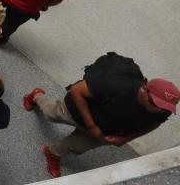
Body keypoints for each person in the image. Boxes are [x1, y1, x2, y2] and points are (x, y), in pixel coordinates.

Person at [23, 54, 177, 178]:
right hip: (74, 111)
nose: (158, 109)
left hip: (104, 133)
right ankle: (37, 96)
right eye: (154, 103)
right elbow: (77, 91)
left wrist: (125, 139)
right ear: (144, 89)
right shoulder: (116, 83)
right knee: (50, 114)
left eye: (163, 108)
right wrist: (92, 126)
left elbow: (155, 123)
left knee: (75, 146)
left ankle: (52, 153)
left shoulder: (162, 109)